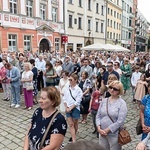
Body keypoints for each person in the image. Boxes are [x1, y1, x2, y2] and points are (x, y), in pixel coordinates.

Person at [96, 80, 127, 150]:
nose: (112, 90)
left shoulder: (122, 103)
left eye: (115, 89)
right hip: (102, 133)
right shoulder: (104, 101)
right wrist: (98, 128)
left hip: (114, 134)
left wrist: (107, 130)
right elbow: (98, 116)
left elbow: (120, 121)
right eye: (111, 87)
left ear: (119, 91)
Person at [63, 74, 83, 143]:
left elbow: (78, 101)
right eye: (69, 79)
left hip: (75, 108)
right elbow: (64, 98)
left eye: (71, 80)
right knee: (71, 124)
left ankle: (75, 133)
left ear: (76, 80)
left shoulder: (78, 90)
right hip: (68, 108)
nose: (70, 81)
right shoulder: (67, 88)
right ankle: (74, 140)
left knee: (75, 123)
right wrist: (66, 107)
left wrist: (71, 108)